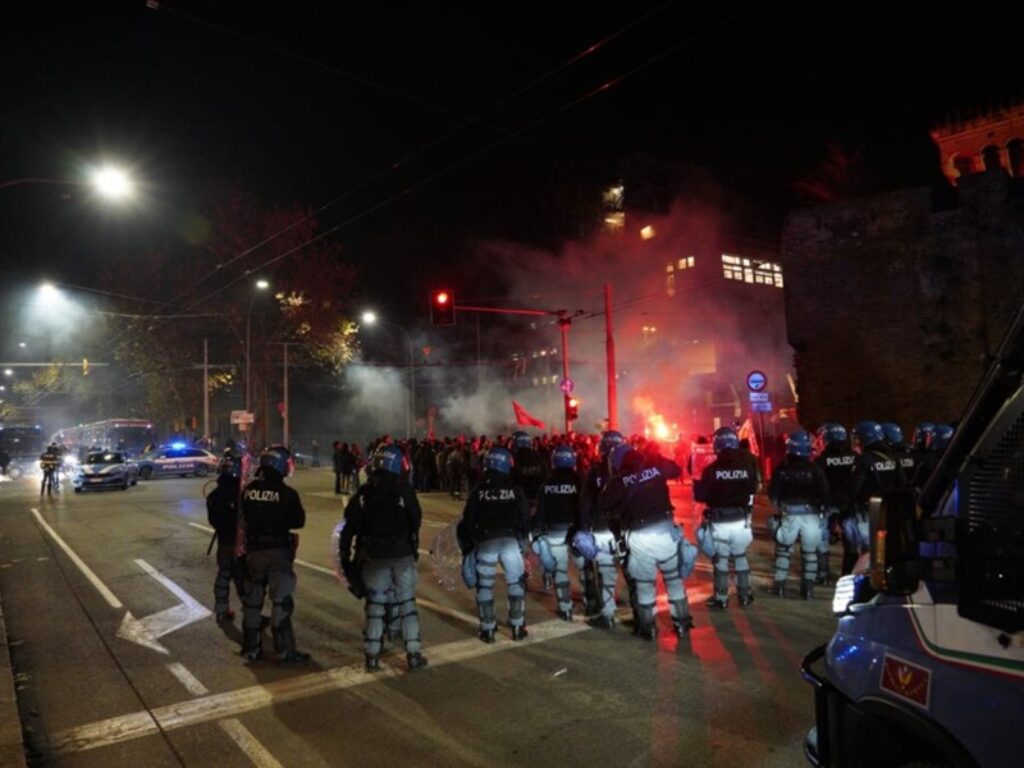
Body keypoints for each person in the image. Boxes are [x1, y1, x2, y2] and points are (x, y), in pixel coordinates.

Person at [339, 444, 427, 672]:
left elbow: (348, 530)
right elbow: (415, 519)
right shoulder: (403, 489)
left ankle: (372, 656)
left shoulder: (363, 494)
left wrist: (347, 563)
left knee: (375, 606)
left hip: (374, 557)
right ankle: (414, 655)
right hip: (402, 554)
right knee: (407, 605)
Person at [602, 443, 692, 640]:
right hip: (666, 531)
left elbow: (604, 504)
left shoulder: (619, 481)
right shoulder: (655, 467)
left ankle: (648, 628)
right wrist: (657, 457)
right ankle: (682, 624)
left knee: (644, 585)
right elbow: (676, 470)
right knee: (674, 581)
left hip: (640, 537)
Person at [239, 445, 309, 664]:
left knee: (253, 601)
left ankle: (251, 648)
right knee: (281, 602)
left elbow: (242, 518)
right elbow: (298, 521)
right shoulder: (286, 493)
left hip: (254, 552)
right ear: (280, 465)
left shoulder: (248, 490)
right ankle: (284, 650)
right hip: (278, 552)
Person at [457, 445, 530, 642]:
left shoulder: (479, 491)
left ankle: (487, 629)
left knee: (485, 586)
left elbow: (467, 521)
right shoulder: (515, 490)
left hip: (485, 543)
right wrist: (524, 542)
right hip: (510, 542)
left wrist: (469, 544)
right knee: (516, 583)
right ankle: (517, 626)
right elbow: (524, 518)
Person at [694, 427, 758, 609]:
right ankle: (745, 596)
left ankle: (721, 598)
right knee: (740, 557)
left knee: (721, 560)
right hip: (740, 519)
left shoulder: (711, 470)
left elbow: (701, 496)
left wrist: (697, 485)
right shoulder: (746, 467)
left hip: (720, 521)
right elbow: (752, 489)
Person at [768, 431, 830, 599]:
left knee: (784, 550)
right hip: (812, 515)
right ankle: (807, 589)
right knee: (810, 553)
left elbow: (773, 494)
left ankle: (779, 587)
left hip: (789, 514)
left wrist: (777, 507)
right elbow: (825, 494)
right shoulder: (815, 469)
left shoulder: (781, 469)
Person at [579, 430, 626, 627]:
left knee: (606, 571)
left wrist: (583, 529)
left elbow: (586, 504)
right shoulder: (629, 471)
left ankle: (607, 613)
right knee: (632, 570)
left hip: (602, 528)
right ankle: (644, 616)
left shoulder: (594, 473)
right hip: (625, 528)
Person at [848, 421, 908, 573]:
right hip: (890, 510)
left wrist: (848, 507)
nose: (855, 441)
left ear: (865, 438)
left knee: (868, 551)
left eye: (857, 438)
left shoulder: (865, 459)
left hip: (869, 512)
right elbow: (903, 483)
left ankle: (861, 581)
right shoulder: (891, 457)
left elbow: (854, 489)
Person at [532, 445, 581, 621]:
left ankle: (565, 606)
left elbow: (541, 511)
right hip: (577, 531)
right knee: (585, 568)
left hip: (555, 532)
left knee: (560, 570)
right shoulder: (579, 480)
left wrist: (536, 531)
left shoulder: (547, 484)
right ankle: (591, 601)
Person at [813, 422, 856, 583]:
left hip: (828, 505)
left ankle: (823, 574)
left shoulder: (821, 460)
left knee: (822, 541)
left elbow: (818, 486)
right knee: (851, 543)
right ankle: (849, 575)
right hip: (849, 505)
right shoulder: (855, 457)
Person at [206, 451, 246, 622]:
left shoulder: (214, 495)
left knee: (224, 575)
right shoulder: (242, 493)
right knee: (243, 578)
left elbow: (213, 520)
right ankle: (252, 612)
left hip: (224, 541)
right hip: (240, 542)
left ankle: (222, 609)